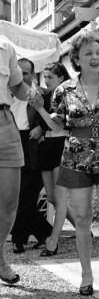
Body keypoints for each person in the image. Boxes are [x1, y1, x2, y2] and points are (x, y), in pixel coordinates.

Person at [31, 31, 99, 298]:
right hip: (75, 157)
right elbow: (57, 124)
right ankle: (86, 275)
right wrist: (41, 109)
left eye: (98, 52)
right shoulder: (64, 91)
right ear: (76, 58)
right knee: (84, 218)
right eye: (88, 53)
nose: (95, 57)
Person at [0, 35, 43, 285]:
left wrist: (32, 94)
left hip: (4, 120)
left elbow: (17, 86)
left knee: (9, 201)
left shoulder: (5, 45)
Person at [10, 58, 53, 253]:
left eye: (25, 73)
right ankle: (46, 233)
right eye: (19, 72)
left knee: (26, 194)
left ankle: (19, 239)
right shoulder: (6, 92)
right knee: (15, 195)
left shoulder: (44, 94)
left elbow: (56, 118)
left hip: (33, 146)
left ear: (33, 75)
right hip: (11, 141)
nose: (21, 76)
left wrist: (40, 127)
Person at [37, 62, 76, 257]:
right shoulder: (43, 97)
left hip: (63, 144)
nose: (46, 81)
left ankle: (53, 241)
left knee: (60, 197)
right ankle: (80, 224)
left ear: (61, 78)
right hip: (46, 146)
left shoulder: (70, 95)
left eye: (50, 77)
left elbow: (63, 123)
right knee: (51, 197)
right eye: (45, 77)